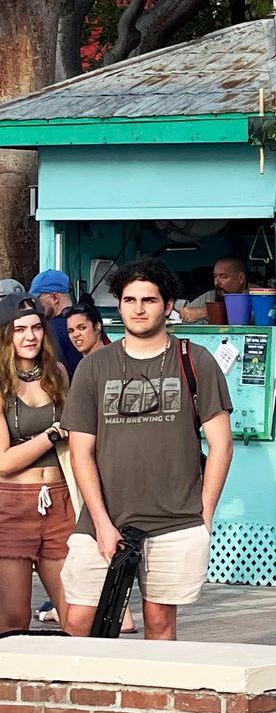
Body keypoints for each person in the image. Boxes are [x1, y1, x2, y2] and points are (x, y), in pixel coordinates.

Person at [61, 258, 233, 641]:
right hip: (104, 518)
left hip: (175, 519)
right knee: (79, 621)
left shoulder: (195, 360)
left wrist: (204, 515)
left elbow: (222, 444)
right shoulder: (93, 367)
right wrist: (101, 523)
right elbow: (80, 452)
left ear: (167, 305)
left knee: (158, 623)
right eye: (129, 300)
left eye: (149, 300)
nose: (138, 309)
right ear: (119, 305)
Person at [0, 295, 74, 632]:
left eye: (36, 328)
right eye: (19, 330)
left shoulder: (57, 373)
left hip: (60, 499)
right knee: (14, 619)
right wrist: (51, 436)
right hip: (13, 505)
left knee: (76, 615)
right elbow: (3, 462)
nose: (30, 336)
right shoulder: (2, 383)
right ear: (6, 335)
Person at [29, 271, 81, 377]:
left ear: (55, 298)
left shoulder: (49, 329)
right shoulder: (91, 324)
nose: (36, 306)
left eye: (38, 300)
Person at [179, 256, 248, 323]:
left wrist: (204, 313)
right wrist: (186, 313)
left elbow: (244, 315)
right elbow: (185, 313)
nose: (216, 282)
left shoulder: (253, 294)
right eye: (215, 276)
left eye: (223, 277)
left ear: (241, 278)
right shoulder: (210, 296)